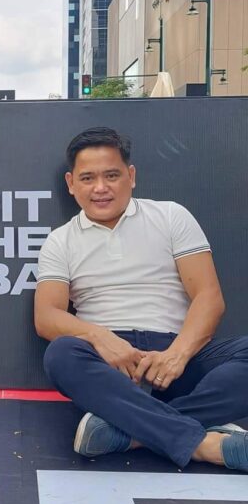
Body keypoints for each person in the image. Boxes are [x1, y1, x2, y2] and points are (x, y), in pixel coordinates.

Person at [35, 126, 248, 472]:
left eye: (111, 175)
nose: (100, 187)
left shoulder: (171, 216)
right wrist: (100, 338)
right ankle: (206, 445)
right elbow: (46, 316)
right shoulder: (60, 241)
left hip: (178, 359)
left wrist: (177, 355)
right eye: (88, 178)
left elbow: (209, 297)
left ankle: (128, 433)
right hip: (112, 367)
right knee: (61, 354)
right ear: (71, 183)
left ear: (131, 176)